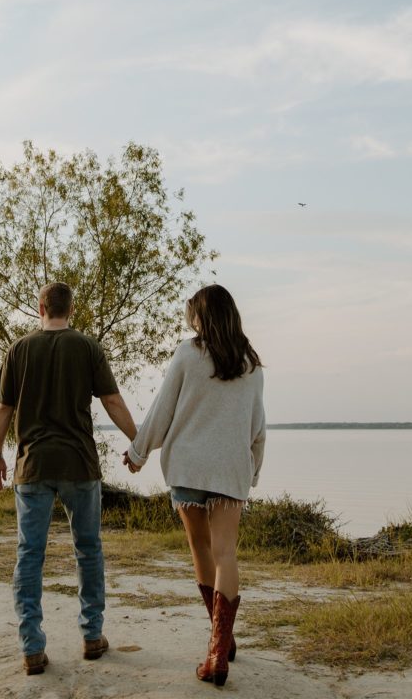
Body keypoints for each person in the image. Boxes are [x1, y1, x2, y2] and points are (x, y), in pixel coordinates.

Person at [0, 281, 137, 676]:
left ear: (41, 307)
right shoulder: (87, 347)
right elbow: (112, 401)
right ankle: (92, 636)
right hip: (79, 465)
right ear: (71, 309)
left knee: (29, 555)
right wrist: (139, 442)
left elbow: (3, 409)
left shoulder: (19, 349)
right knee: (88, 550)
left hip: (33, 466)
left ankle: (32, 648)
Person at [124, 284, 265, 688]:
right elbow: (258, 426)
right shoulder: (250, 364)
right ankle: (221, 645)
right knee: (226, 553)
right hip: (229, 470)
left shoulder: (187, 353)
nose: (191, 321)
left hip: (188, 468)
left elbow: (162, 408)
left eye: (193, 314)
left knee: (201, 549)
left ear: (202, 317)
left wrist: (138, 452)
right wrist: (252, 469)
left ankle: (218, 647)